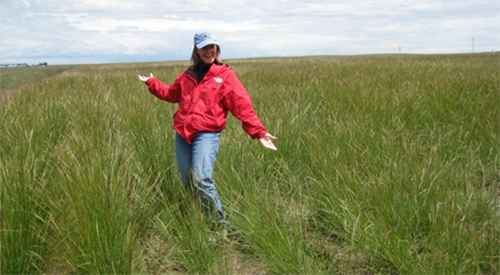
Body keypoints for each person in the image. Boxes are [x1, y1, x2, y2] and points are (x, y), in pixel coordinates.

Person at [138, 30, 277, 229]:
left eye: (212, 46)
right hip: (183, 134)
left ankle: (218, 226)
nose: (209, 51)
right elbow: (171, 93)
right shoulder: (188, 75)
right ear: (197, 50)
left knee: (201, 178)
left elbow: (241, 104)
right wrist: (152, 83)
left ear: (217, 49)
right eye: (204, 47)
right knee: (188, 181)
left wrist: (258, 132)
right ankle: (201, 215)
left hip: (207, 134)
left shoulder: (224, 75)